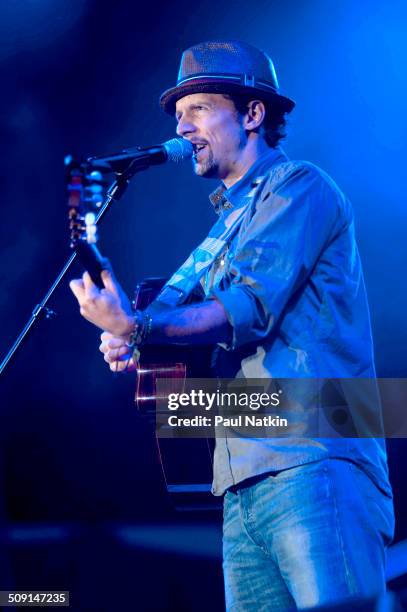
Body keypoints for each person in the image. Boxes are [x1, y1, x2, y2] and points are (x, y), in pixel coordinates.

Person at [70, 41, 394, 610]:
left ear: (252, 114)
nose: (182, 126)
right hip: (238, 477)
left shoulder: (299, 187)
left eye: (197, 109)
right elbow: (187, 340)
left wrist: (140, 328)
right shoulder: (225, 228)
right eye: (177, 116)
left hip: (312, 457)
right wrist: (131, 336)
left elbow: (245, 307)